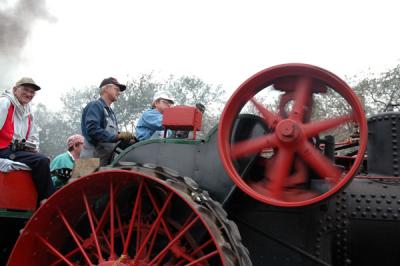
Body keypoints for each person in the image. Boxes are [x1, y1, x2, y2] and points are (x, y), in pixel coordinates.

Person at [0, 77, 54, 202]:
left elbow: (33, 138)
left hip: (14, 151)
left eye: (32, 92)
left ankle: (37, 201)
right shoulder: (4, 103)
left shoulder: (29, 112)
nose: (29, 94)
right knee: (41, 161)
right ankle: (46, 200)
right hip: (3, 150)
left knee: (42, 159)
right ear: (15, 90)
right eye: (25, 90)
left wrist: (32, 148)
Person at [80, 77, 134, 166]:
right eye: (116, 89)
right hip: (89, 163)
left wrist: (127, 141)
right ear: (106, 88)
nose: (119, 93)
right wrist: (117, 136)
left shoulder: (110, 113)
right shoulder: (95, 105)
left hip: (104, 163)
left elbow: (113, 139)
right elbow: (92, 130)